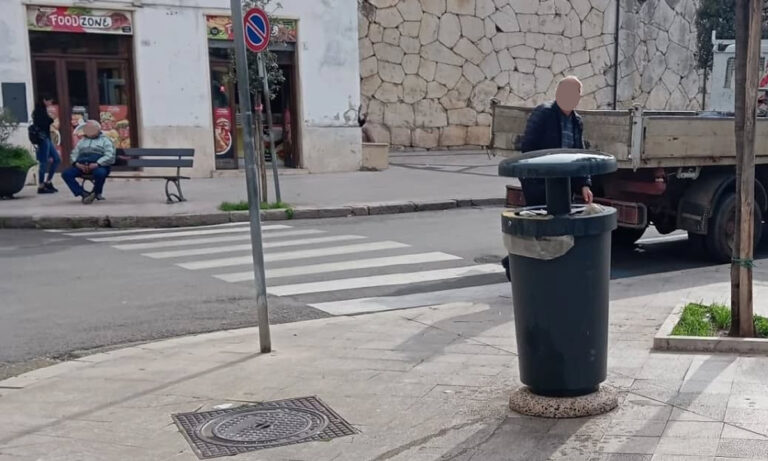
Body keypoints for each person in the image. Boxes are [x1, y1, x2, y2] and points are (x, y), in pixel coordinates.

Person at [501, 76, 594, 280]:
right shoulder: (543, 113)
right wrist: (534, 177)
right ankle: (514, 262)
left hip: (562, 184)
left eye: (575, 94)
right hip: (539, 183)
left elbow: (578, 154)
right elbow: (528, 147)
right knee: (538, 226)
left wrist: (584, 184)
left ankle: (543, 268)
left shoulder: (576, 121)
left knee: (555, 228)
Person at [61, 120, 116, 204]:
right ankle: (83, 194)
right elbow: (74, 153)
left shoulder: (106, 140)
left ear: (98, 129)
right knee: (66, 174)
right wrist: (76, 164)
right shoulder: (82, 141)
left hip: (99, 165)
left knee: (100, 173)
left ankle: (95, 193)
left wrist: (98, 164)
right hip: (81, 165)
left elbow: (110, 155)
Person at [31, 97, 61, 194]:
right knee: (43, 162)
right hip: (42, 139)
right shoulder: (38, 111)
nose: (50, 103)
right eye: (49, 101)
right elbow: (44, 123)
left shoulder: (43, 110)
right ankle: (41, 185)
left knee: (57, 159)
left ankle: (48, 181)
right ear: (44, 100)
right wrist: (50, 119)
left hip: (47, 138)